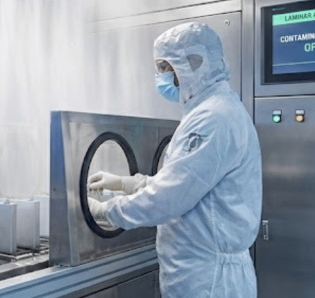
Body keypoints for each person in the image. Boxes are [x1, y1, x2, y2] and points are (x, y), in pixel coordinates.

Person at [87, 22, 262, 298]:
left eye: (163, 67)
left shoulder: (213, 118)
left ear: (192, 63)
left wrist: (104, 211)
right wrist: (127, 184)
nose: (160, 76)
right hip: (202, 273)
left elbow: (169, 198)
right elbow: (184, 183)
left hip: (210, 282)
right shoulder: (213, 110)